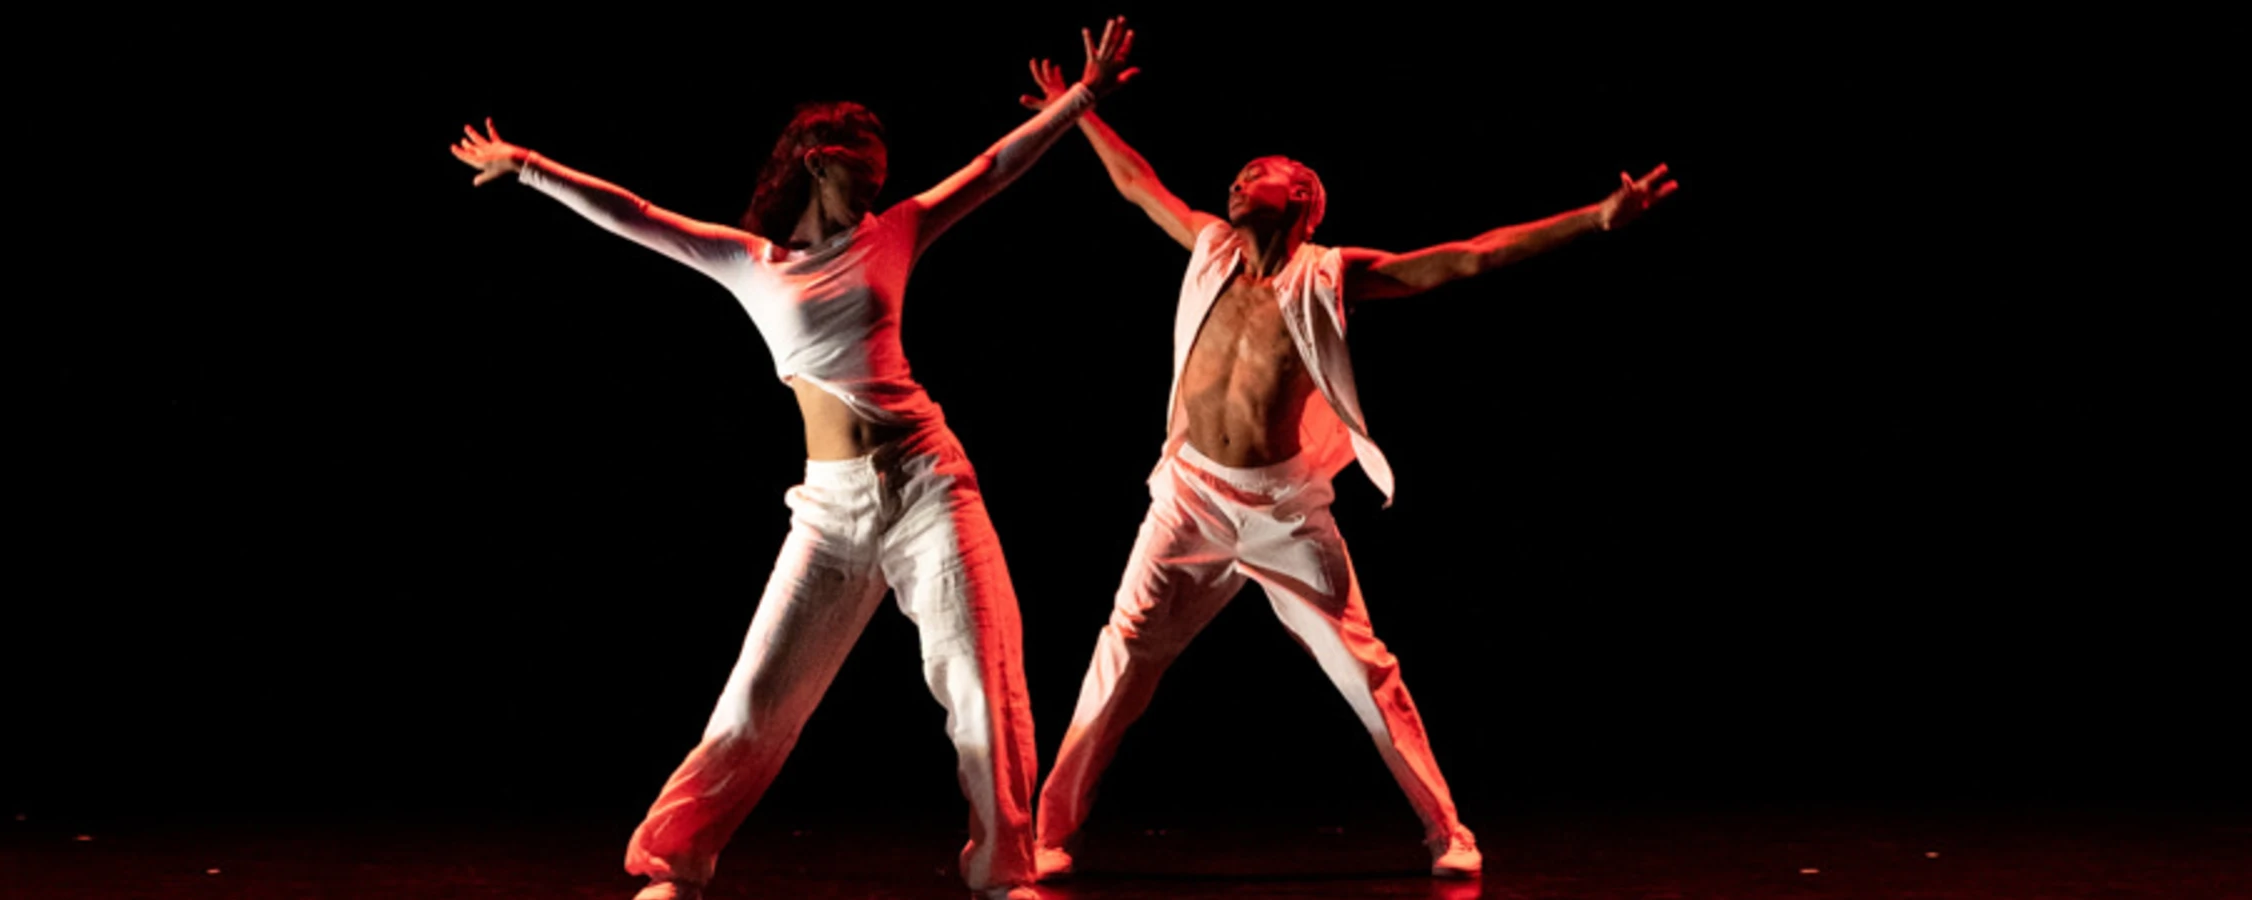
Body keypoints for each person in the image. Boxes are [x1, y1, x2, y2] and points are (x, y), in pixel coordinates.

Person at [445, 20, 1139, 900]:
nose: (878, 191)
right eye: (864, 176)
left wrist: (1080, 99)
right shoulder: (750, 262)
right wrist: (528, 165)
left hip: (929, 483)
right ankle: (673, 862)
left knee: (982, 679)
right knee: (760, 693)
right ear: (817, 161)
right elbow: (637, 216)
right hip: (831, 507)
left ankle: (1003, 869)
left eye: (883, 181)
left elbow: (991, 168)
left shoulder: (894, 232)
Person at [1014, 59, 1677, 882]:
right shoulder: (1211, 247)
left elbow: (1467, 257)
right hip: (1187, 497)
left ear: (1302, 196)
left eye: (1259, 172)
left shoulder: (1330, 276)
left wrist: (1596, 219)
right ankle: (1049, 833)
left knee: (1365, 670)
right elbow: (1135, 183)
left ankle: (1446, 831)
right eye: (1237, 174)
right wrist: (1078, 108)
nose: (1238, 181)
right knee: (1120, 656)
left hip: (1282, 508)